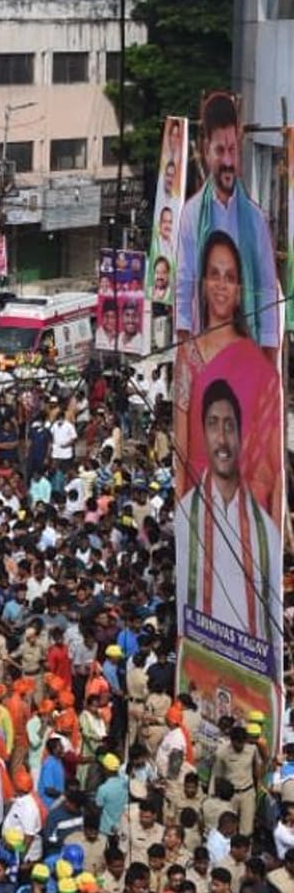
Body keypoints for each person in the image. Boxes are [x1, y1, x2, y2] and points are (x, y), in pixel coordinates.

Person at [173, 230, 282, 521]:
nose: (221, 285)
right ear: (203, 284)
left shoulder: (261, 368)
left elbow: (273, 465)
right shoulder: (187, 356)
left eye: (230, 277)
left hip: (245, 516)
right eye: (214, 274)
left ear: (239, 292)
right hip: (198, 508)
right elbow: (181, 454)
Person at [176, 376, 282, 663]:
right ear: (202, 434)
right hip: (203, 664)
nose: (222, 439)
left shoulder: (267, 532)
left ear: (241, 436)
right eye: (213, 425)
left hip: (251, 672)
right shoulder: (186, 514)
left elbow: (273, 616)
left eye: (229, 426)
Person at [175, 89, 281, 355]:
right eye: (220, 150)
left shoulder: (256, 221)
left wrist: (269, 361)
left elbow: (268, 292)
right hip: (205, 347)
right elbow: (184, 284)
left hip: (248, 351)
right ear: (205, 149)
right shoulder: (191, 213)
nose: (228, 161)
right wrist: (185, 350)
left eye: (233, 149)